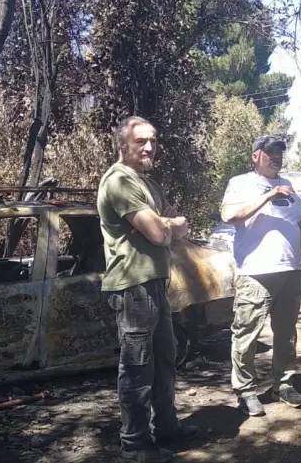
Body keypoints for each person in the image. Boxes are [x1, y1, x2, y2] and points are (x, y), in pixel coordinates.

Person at [97, 116, 199, 463]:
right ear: (123, 145)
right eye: (140, 141)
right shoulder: (119, 181)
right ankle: (135, 444)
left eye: (152, 140)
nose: (149, 147)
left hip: (155, 282)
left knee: (165, 361)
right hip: (132, 286)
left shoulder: (149, 184)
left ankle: (167, 429)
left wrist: (164, 223)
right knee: (138, 368)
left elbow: (174, 227)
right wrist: (165, 225)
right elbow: (160, 234)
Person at [220, 134, 301, 417]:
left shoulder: (289, 185)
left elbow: (299, 227)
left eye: (280, 152)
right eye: (271, 152)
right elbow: (229, 216)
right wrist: (268, 195)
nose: (277, 157)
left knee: (286, 334)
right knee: (246, 335)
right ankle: (246, 391)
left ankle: (283, 384)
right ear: (255, 156)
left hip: (289, 272)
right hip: (255, 273)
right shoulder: (240, 183)